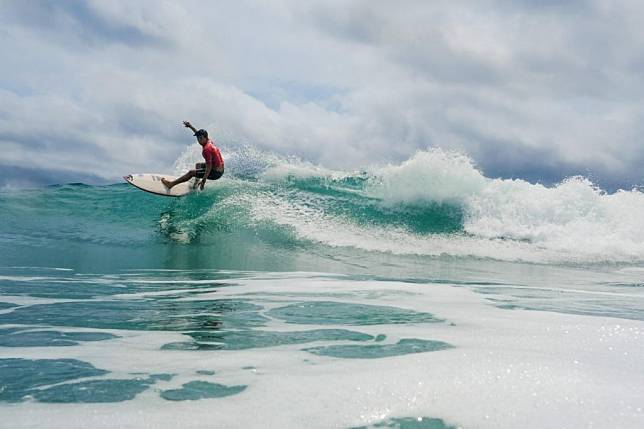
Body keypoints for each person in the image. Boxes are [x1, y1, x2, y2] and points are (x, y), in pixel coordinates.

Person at [162, 121, 225, 191]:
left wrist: (203, 180)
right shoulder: (208, 141)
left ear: (205, 137)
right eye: (198, 138)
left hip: (216, 173)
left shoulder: (207, 149)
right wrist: (190, 126)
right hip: (219, 168)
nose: (199, 140)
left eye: (201, 138)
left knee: (191, 173)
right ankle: (195, 186)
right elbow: (197, 133)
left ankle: (170, 184)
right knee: (198, 165)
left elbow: (209, 167)